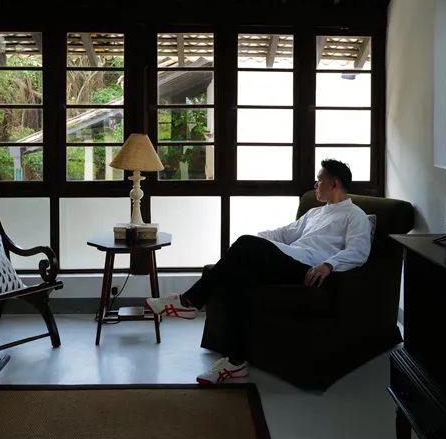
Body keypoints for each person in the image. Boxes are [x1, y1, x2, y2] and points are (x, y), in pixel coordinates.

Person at [145, 159, 372, 385]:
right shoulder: (315, 213)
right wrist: (256, 244)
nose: (315, 184)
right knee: (239, 276)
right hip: (289, 259)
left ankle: (189, 301)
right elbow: (284, 234)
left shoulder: (355, 215)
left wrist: (329, 265)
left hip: (309, 269)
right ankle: (235, 362)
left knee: (244, 245)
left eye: (319, 180)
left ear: (334, 183)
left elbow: (358, 251)